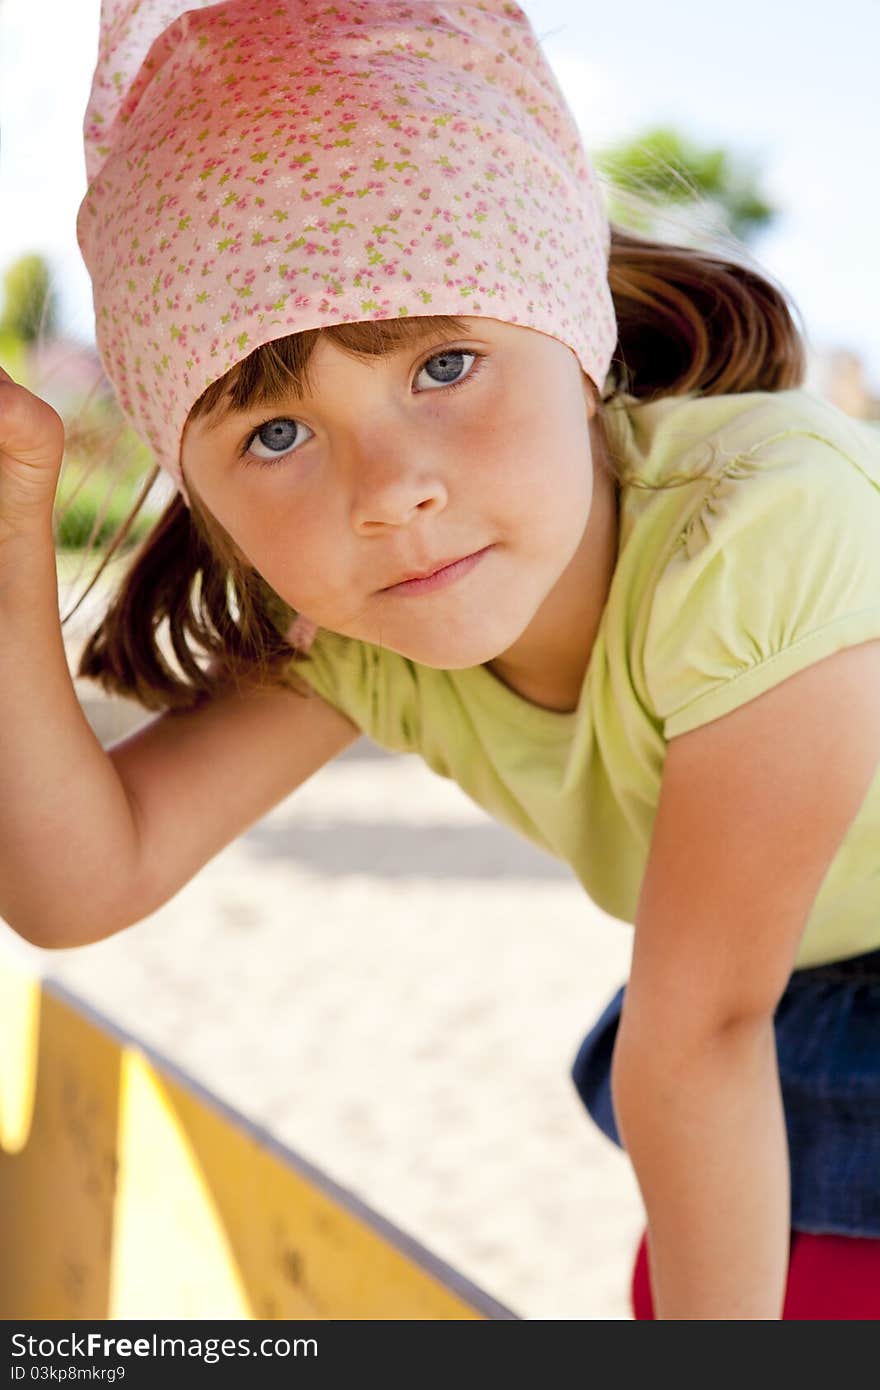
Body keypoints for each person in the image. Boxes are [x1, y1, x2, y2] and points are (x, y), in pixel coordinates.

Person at [2, 0, 880, 1320]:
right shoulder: (370, 636)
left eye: (445, 363)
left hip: (752, 1016)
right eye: (276, 437)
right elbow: (82, 881)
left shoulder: (763, 530)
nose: (392, 490)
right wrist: (17, 529)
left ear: (575, 332)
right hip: (786, 1007)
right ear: (209, 503)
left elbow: (698, 1036)